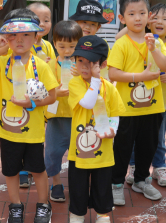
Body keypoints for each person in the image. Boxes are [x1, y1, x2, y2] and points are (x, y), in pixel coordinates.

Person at [0, 9, 58, 223]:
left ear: (36, 36)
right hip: (7, 130)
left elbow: (52, 96)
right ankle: (15, 206)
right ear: (6, 37)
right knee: (11, 172)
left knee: (38, 170)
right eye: (13, 35)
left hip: (32, 132)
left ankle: (43, 205)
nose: (19, 40)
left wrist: (31, 103)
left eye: (26, 35)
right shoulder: (3, 62)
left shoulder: (41, 65)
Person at [107, 0, 166, 205]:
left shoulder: (156, 42)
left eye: (142, 13)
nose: (137, 18)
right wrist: (139, 76)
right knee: (122, 147)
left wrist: (154, 50)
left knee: (148, 146)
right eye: (131, 13)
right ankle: (116, 184)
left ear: (148, 15)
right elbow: (113, 73)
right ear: (122, 19)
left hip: (153, 108)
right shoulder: (122, 43)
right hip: (126, 109)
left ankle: (141, 180)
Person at [117, 4, 166, 188]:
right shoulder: (136, 40)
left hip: (160, 101)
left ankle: (159, 167)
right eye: (156, 18)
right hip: (135, 102)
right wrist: (139, 20)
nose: (160, 22)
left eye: (165, 19)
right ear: (149, 21)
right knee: (133, 139)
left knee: (157, 138)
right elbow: (118, 38)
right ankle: (134, 166)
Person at [67, 36, 125, 223]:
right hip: (80, 150)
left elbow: (115, 113)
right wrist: (95, 81)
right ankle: (77, 214)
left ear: (103, 64)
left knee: (102, 184)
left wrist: (113, 129)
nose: (84, 66)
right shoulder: (75, 83)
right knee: (78, 185)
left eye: (91, 62)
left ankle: (102, 214)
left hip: (104, 148)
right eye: (80, 60)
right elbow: (87, 102)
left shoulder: (110, 89)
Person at [44, 20, 83, 202]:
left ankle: (78, 184)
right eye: (62, 46)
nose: (67, 51)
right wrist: (55, 93)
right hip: (56, 116)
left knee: (79, 151)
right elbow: (42, 89)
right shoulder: (49, 65)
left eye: (72, 46)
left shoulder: (82, 65)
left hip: (78, 115)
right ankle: (56, 182)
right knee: (53, 152)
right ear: (54, 44)